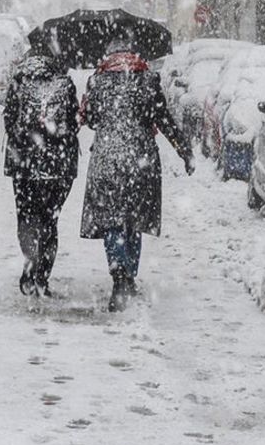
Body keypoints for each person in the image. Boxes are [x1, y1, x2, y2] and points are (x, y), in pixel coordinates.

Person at [80, 39, 193, 311]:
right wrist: (184, 150)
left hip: (107, 156)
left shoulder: (97, 81)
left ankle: (119, 274)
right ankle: (129, 273)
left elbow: (92, 120)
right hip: (140, 159)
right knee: (134, 217)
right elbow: (163, 119)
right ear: (134, 56)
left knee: (112, 219)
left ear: (109, 56)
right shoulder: (148, 80)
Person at [3, 52, 80, 296]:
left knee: (26, 216)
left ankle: (30, 260)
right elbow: (73, 123)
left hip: (24, 164)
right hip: (58, 166)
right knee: (50, 219)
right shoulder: (65, 84)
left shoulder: (19, 81)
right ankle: (42, 275)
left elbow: (8, 120)